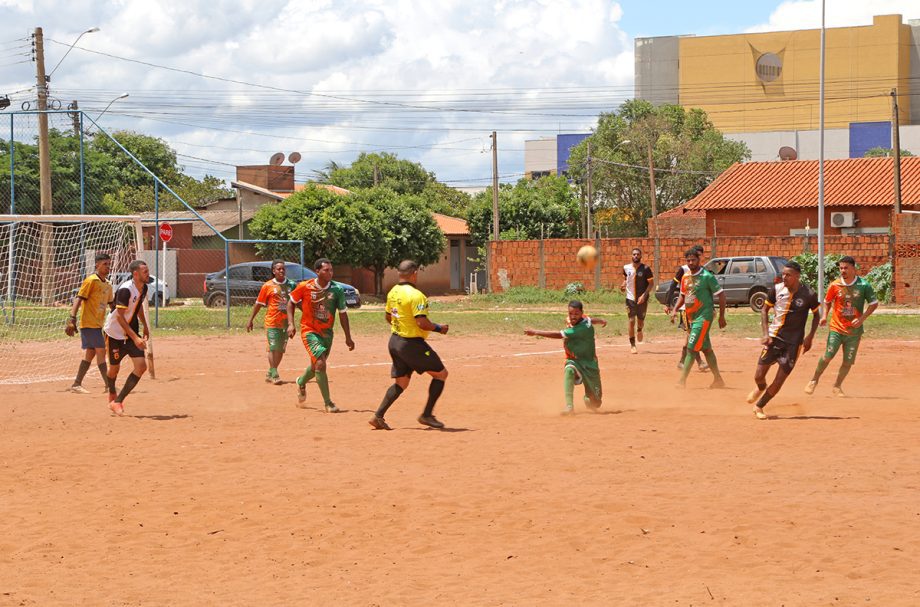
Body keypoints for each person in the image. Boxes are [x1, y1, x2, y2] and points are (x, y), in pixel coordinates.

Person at [370, 260, 449, 430]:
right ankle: (427, 415)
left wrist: (401, 325)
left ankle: (378, 416)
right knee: (441, 374)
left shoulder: (393, 292)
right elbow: (422, 322)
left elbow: (388, 317)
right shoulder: (416, 296)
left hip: (395, 342)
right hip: (411, 345)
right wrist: (439, 328)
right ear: (414, 273)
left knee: (401, 383)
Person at [748, 261, 820, 419]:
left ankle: (759, 406)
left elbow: (816, 315)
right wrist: (766, 334)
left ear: (797, 276)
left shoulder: (809, 294)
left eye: (788, 275)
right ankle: (760, 387)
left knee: (780, 379)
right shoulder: (776, 289)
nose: (784, 277)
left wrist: (810, 337)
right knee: (758, 376)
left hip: (794, 344)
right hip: (774, 338)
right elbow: (764, 310)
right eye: (783, 274)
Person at [804, 256, 878, 397]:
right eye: (841, 268)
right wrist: (825, 316)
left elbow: (874, 304)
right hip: (836, 328)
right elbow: (827, 301)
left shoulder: (864, 285)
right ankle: (814, 380)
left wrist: (862, 319)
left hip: (854, 332)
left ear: (853, 268)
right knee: (828, 355)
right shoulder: (835, 285)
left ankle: (837, 386)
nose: (842, 270)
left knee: (848, 361)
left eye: (846, 268)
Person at [287, 258, 354, 412]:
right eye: (326, 270)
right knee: (320, 364)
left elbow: (343, 314)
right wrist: (291, 324)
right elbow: (291, 302)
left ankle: (301, 381)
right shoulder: (305, 286)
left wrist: (348, 337)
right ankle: (328, 403)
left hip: (327, 333)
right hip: (309, 330)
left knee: (316, 366)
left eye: (331, 270)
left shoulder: (337, 290)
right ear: (317, 271)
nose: (330, 273)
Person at [524, 300, 607, 415]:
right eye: (570, 314)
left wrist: (536, 332)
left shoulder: (582, 328)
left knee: (595, 403)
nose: (573, 316)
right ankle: (569, 406)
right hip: (575, 360)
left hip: (590, 364)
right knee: (569, 369)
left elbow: (559, 335)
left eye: (576, 314)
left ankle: (589, 398)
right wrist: (601, 320)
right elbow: (590, 320)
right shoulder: (579, 320)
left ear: (581, 313)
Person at [670, 247, 727, 389]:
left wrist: (721, 316)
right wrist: (675, 309)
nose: (690, 262)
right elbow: (683, 296)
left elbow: (721, 295)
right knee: (706, 349)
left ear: (699, 260)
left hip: (704, 317)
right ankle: (718, 380)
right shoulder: (685, 277)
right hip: (692, 318)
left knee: (691, 348)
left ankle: (681, 381)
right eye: (688, 260)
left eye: (693, 260)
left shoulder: (707, 276)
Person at [103, 260, 150, 416]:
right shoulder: (125, 290)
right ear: (135, 274)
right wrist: (136, 338)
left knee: (141, 366)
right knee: (114, 369)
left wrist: (145, 326)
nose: (147, 274)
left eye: (147, 270)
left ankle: (117, 401)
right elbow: (120, 318)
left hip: (129, 332)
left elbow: (138, 308)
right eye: (144, 271)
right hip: (115, 333)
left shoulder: (144, 288)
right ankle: (111, 391)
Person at [65, 253, 115, 394]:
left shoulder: (108, 285)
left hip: (98, 325)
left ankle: (76, 384)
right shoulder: (91, 281)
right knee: (101, 351)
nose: (107, 267)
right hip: (88, 323)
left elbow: (113, 305)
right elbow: (79, 299)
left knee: (90, 354)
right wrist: (72, 318)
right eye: (105, 264)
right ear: (97, 265)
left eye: (109, 264)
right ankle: (108, 385)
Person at [246, 260, 297, 385]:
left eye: (283, 269)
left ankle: (270, 372)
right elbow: (259, 304)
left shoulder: (292, 285)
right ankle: (274, 373)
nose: (281, 271)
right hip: (272, 322)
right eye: (278, 269)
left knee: (280, 350)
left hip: (286, 323)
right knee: (273, 348)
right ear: (273, 271)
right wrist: (250, 320)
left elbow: (297, 302)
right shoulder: (267, 286)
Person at [664, 244, 708, 371]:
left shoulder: (703, 272)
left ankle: (682, 361)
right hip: (686, 309)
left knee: (692, 336)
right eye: (693, 257)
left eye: (698, 256)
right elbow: (673, 286)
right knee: (692, 335)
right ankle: (699, 362)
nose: (694, 260)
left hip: (700, 310)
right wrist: (668, 304)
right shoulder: (684, 270)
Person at [620, 247, 653, 354]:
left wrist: (644, 295)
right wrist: (624, 284)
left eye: (638, 254)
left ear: (641, 256)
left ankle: (639, 330)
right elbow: (626, 279)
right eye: (634, 254)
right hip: (630, 298)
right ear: (631, 256)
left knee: (640, 320)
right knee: (631, 321)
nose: (636, 256)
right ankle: (633, 345)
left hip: (642, 299)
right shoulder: (626, 268)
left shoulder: (646, 269)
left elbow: (651, 284)